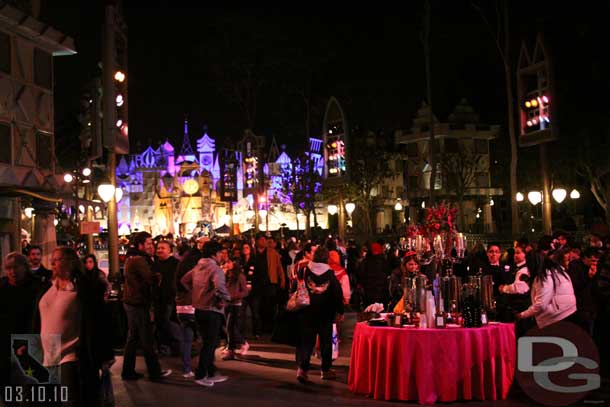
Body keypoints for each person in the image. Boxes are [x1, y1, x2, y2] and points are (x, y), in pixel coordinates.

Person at [33, 247, 114, 406]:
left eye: (57, 259)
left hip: (71, 353)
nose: (52, 263)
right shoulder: (48, 284)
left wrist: (103, 353)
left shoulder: (82, 286)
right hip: (47, 354)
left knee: (70, 400)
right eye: (52, 259)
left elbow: (97, 318)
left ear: (69, 262)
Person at [121, 232, 172, 381]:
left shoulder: (133, 258)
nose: (152, 247)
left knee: (134, 338)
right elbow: (150, 279)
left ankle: (128, 371)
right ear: (140, 245)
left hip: (133, 302)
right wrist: (159, 276)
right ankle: (154, 372)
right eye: (149, 244)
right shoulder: (138, 260)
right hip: (137, 303)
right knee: (146, 339)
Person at [181, 241, 232, 387]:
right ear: (214, 254)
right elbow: (220, 287)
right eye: (220, 252)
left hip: (198, 309)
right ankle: (201, 374)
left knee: (208, 342)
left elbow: (184, 280)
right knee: (210, 344)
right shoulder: (216, 269)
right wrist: (226, 298)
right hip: (211, 310)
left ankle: (210, 372)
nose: (222, 255)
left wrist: (196, 294)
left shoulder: (198, 266)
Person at [295, 247, 344, 383]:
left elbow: (296, 285)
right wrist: (340, 311)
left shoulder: (305, 270)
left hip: (307, 311)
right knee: (325, 342)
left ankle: (302, 369)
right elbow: (337, 294)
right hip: (325, 313)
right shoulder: (330, 274)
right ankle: (325, 370)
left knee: (306, 342)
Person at [0, 252, 40, 389]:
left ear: (24, 267)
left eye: (16, 267)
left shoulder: (37, 286)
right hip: (4, 343)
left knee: (30, 387)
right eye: (9, 268)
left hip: (29, 342)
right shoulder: (2, 286)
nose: (12, 272)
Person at [516, 251, 578, 329]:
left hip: (557, 316)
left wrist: (522, 315)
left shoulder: (544, 276)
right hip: (568, 311)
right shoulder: (557, 270)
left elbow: (541, 304)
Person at [250, 234, 286, 336]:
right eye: (261, 239)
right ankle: (257, 330)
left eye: (264, 240)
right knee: (256, 308)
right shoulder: (253, 252)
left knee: (269, 307)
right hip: (256, 285)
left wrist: (282, 279)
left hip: (270, 284)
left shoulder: (272, 253)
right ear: (256, 241)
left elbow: (279, 267)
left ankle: (268, 328)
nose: (263, 242)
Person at [153, 240, 182, 356]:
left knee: (170, 323)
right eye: (158, 248)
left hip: (171, 299)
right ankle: (164, 346)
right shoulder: (155, 264)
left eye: (162, 248)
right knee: (161, 323)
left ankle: (175, 346)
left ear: (170, 250)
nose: (159, 250)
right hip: (158, 300)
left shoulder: (176, 264)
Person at [221, 248, 249, 361]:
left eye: (229, 262)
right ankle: (238, 344)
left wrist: (234, 296)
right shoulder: (226, 275)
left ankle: (232, 349)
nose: (227, 264)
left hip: (235, 304)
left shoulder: (240, 276)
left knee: (230, 326)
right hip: (226, 304)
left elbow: (245, 291)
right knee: (229, 327)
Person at [567, 247, 601, 335]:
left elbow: (595, 287)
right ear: (585, 258)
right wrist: (588, 277)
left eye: (597, 261)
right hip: (580, 307)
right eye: (592, 260)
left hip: (591, 307)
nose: (595, 263)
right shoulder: (574, 266)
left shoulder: (595, 267)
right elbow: (575, 285)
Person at [356, 242, 389, 307]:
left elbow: (360, 275)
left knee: (369, 311)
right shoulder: (383, 261)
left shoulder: (365, 261)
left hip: (368, 292)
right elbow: (387, 273)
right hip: (381, 291)